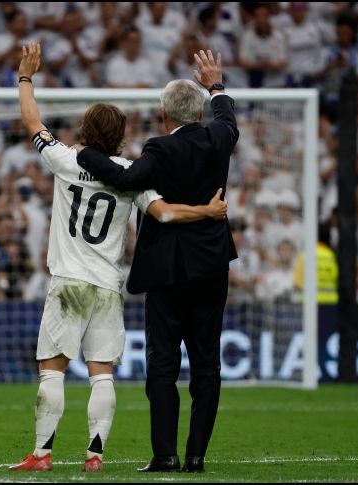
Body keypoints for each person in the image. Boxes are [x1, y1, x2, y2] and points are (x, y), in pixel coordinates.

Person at [10, 42, 229, 473]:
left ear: (85, 130)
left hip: (69, 281)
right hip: (108, 286)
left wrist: (25, 76)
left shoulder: (65, 160)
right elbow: (165, 213)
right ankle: (95, 456)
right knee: (102, 373)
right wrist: (206, 210)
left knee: (52, 369)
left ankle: (42, 453)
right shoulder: (133, 176)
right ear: (120, 135)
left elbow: (32, 120)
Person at [76, 49, 238, 473]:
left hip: (166, 272)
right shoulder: (219, 138)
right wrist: (215, 83)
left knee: (162, 365)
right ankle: (197, 456)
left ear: (164, 115)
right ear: (199, 110)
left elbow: (127, 179)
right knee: (207, 363)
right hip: (211, 267)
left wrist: (83, 155)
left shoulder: (159, 149)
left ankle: (165, 454)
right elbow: (228, 120)